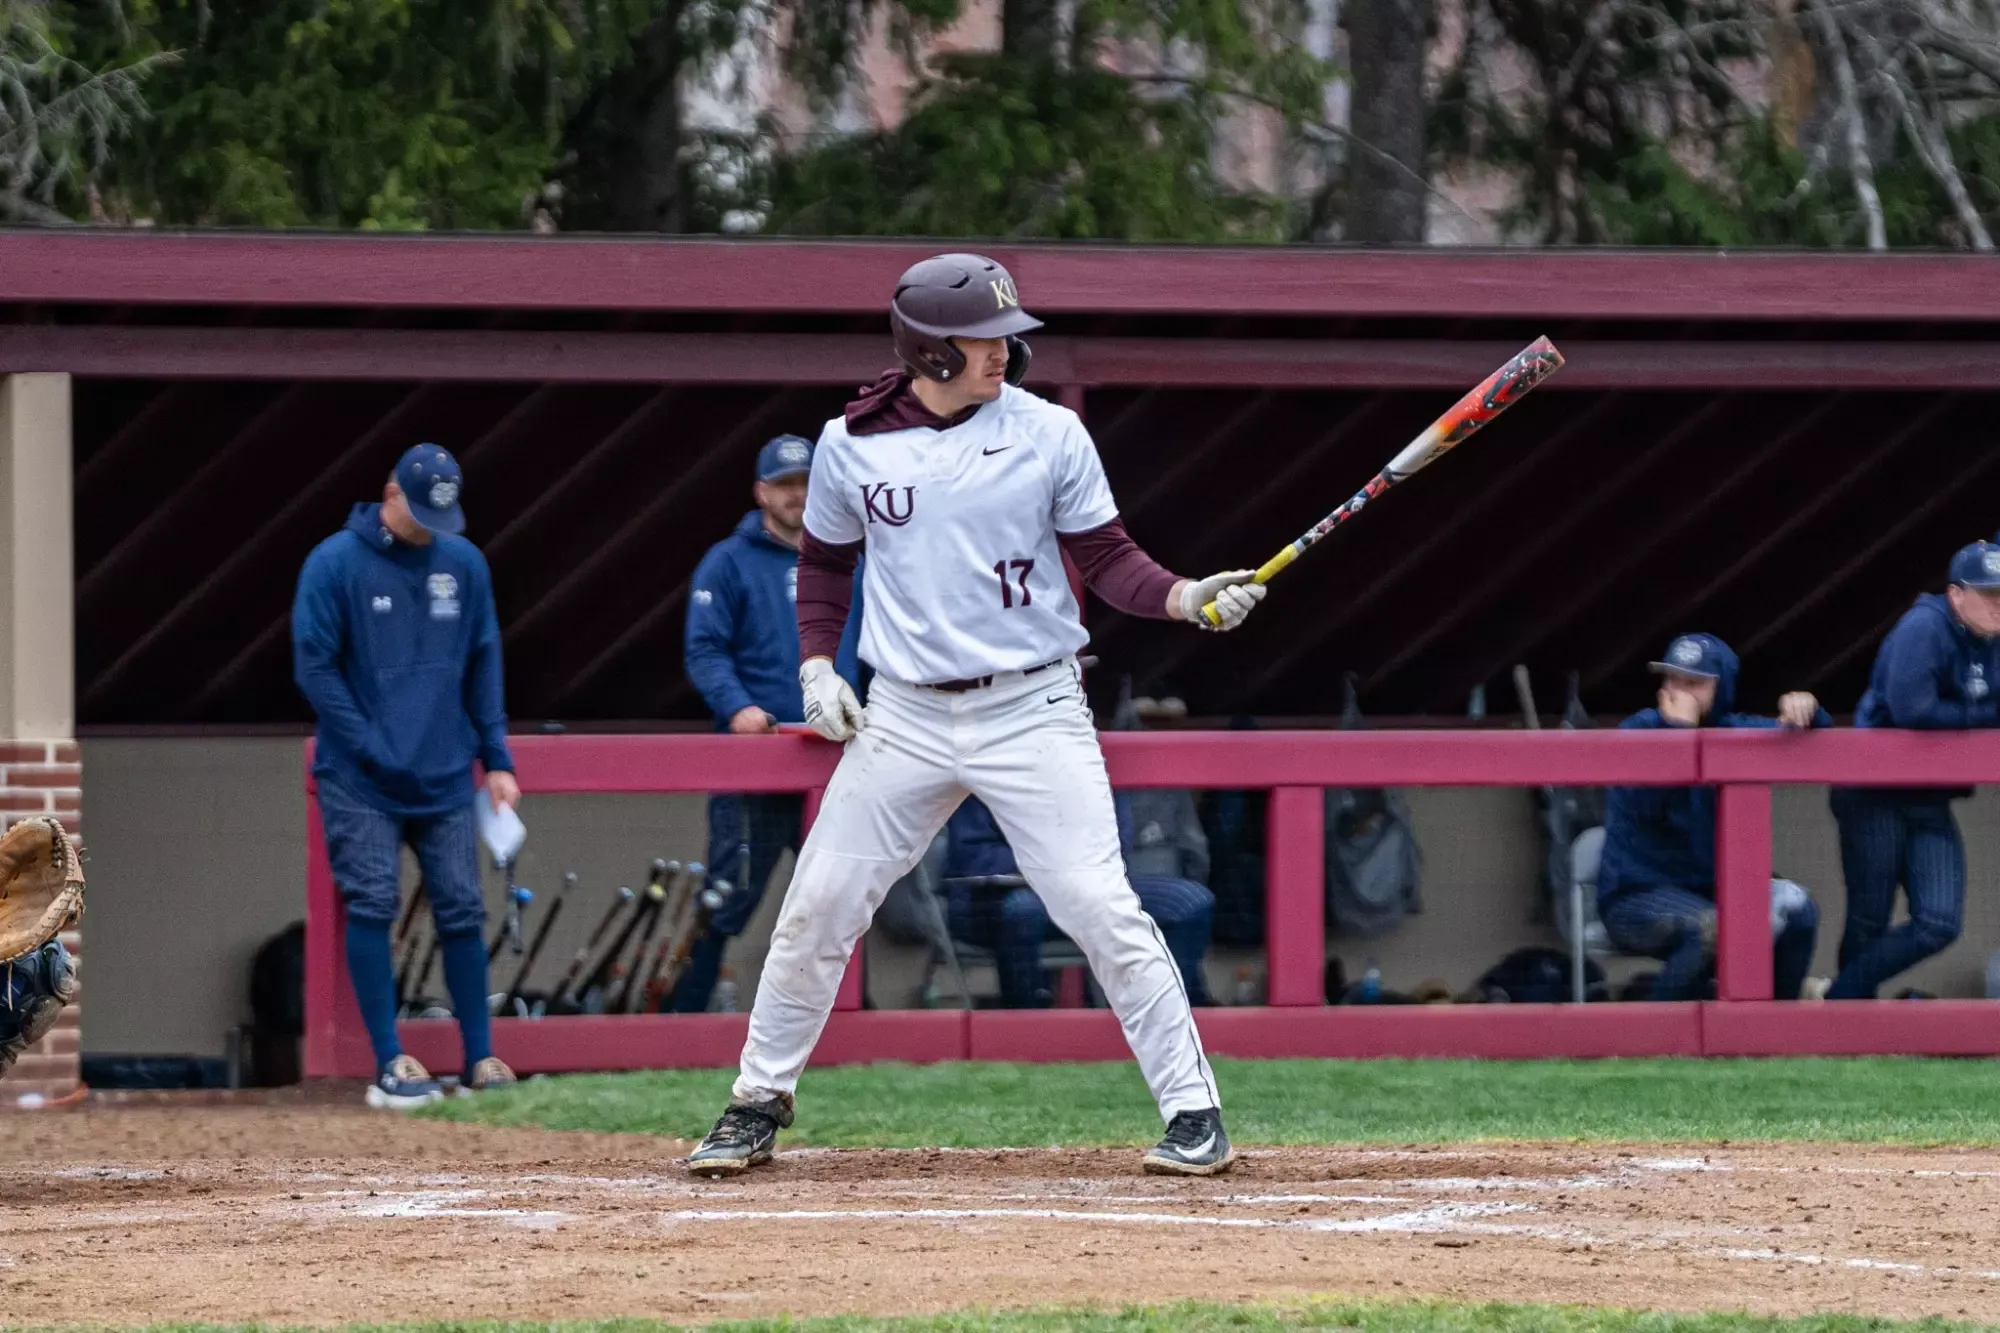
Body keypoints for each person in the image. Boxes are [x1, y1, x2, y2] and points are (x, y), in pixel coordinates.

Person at [687, 252, 1266, 1179]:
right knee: (820, 905)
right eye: (984, 338)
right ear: (927, 348)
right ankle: (757, 1100)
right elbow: (827, 566)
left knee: (1098, 905)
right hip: (904, 714)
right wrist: (812, 667)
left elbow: (1111, 560)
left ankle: (1193, 1112)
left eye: (1006, 336)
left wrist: (1188, 595)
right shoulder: (850, 442)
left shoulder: (1050, 433)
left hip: (1033, 704)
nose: (1005, 352)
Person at [292, 444, 520, 1109]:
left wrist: (497, 757)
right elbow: (315, 667)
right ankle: (390, 1058)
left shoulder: (465, 564)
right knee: (372, 901)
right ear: (390, 493)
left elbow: (485, 663)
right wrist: (369, 742)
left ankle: (481, 1055)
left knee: (463, 906)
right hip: (361, 776)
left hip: (447, 770)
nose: (428, 527)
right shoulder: (334, 563)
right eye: (419, 512)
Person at [676, 435, 862, 1013]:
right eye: (785, 486)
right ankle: (686, 1009)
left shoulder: (847, 557)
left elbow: (881, 645)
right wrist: (737, 708)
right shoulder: (726, 561)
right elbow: (704, 650)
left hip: (837, 758)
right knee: (730, 895)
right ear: (761, 492)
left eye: (807, 483)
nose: (797, 496)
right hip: (757, 764)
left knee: (846, 893)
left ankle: (856, 1016)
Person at [1595, 633, 1828, 1001]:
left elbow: (1814, 740)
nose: (1680, 692)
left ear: (1722, 689)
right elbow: (1645, 807)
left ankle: (1770, 1032)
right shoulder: (1638, 730)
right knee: (1715, 927)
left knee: (1800, 910)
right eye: (1673, 680)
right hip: (1636, 897)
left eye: (1695, 684)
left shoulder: (1734, 729)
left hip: (1714, 892)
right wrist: (1679, 735)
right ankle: (1655, 1037)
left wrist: (1808, 709)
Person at [1826, 541, 2000, 999]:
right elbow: (1913, 710)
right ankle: (1848, 1020)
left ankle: (1837, 1001)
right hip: (1872, 790)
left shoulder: (1992, 641)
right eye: (1988, 594)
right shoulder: (1925, 626)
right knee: (1870, 915)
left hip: (1928, 796)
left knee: (1940, 921)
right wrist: (1983, 717)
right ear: (1956, 595)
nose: (1998, 606)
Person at [941, 795, 1214, 1007]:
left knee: (1191, 902)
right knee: (1024, 909)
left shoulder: (1088, 761)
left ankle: (1157, 1022)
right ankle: (1025, 1034)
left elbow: (1117, 846)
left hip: (1086, 891)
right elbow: (974, 858)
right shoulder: (988, 761)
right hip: (997, 900)